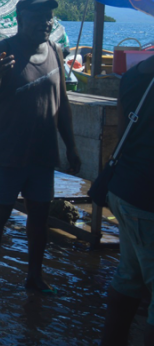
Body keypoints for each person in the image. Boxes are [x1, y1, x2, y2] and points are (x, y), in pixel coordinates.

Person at [0, 0, 80, 293]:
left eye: (48, 17)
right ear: (20, 20)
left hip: (42, 154)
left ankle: (34, 276)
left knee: (39, 218)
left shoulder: (54, 50)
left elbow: (62, 103)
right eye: (38, 17)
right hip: (6, 153)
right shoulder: (2, 50)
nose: (45, 23)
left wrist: (70, 145)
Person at [99, 54, 154, 346]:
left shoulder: (133, 76)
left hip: (123, 190)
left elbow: (122, 133)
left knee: (129, 277)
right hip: (148, 199)